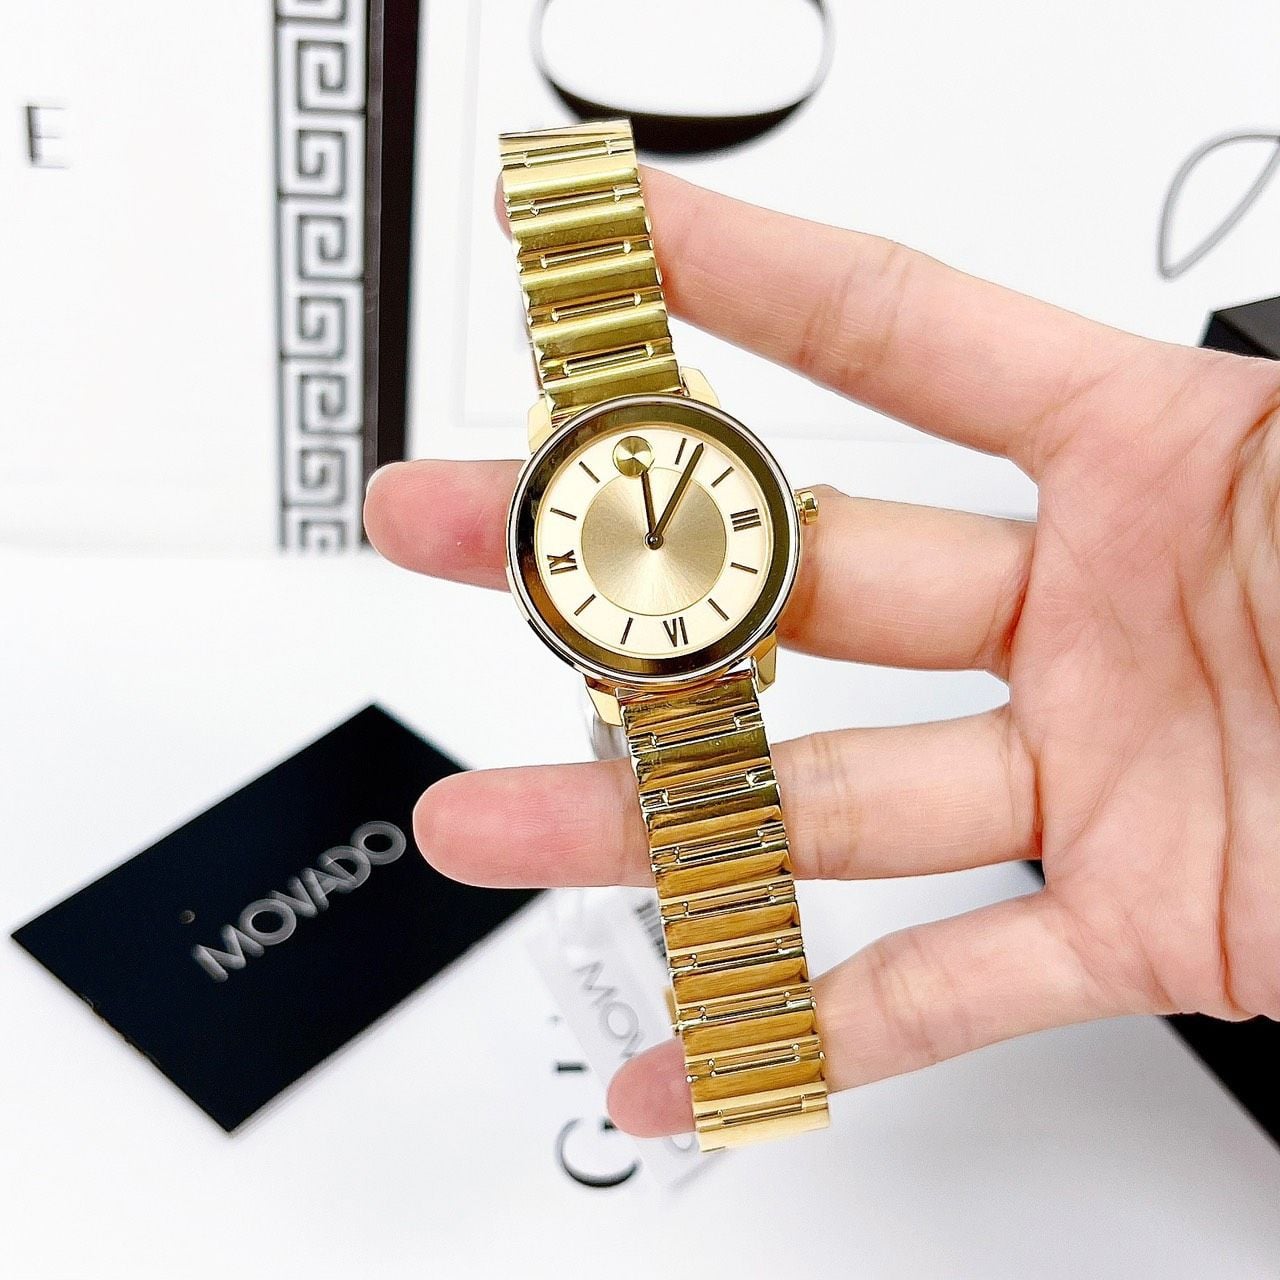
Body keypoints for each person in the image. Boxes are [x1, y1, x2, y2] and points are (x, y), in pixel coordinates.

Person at [364, 169, 1280, 1140]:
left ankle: (754, 1074)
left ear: (786, 516)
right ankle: (750, 1077)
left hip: (711, 657)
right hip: (657, 677)